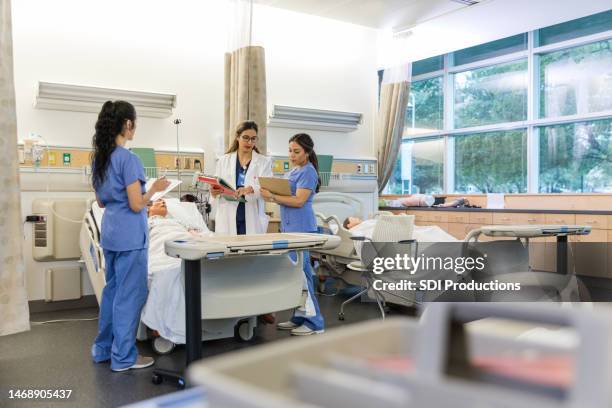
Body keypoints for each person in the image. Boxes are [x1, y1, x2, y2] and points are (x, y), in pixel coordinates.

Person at [90, 100, 170, 372]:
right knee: (129, 296)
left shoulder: (100, 158)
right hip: (130, 236)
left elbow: (101, 202)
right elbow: (137, 205)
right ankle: (123, 357)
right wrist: (155, 189)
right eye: (134, 123)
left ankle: (103, 350)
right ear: (127, 124)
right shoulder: (129, 159)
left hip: (111, 233)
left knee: (112, 293)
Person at [260, 133, 324, 336]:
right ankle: (299, 316)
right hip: (290, 227)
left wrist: (272, 196)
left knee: (303, 275)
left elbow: (298, 201)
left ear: (307, 152)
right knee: (295, 276)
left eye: (296, 151)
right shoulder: (294, 171)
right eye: (290, 151)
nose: (292, 155)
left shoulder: (308, 172)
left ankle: (315, 323)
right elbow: (287, 196)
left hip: (302, 228)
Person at [211, 121, 272, 235]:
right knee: (228, 248)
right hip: (227, 214)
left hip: (250, 213)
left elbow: (268, 188)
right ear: (237, 137)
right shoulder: (223, 161)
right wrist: (214, 192)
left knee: (249, 250)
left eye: (253, 139)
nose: (249, 142)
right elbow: (216, 185)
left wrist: (251, 189)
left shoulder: (264, 162)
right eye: (246, 138)